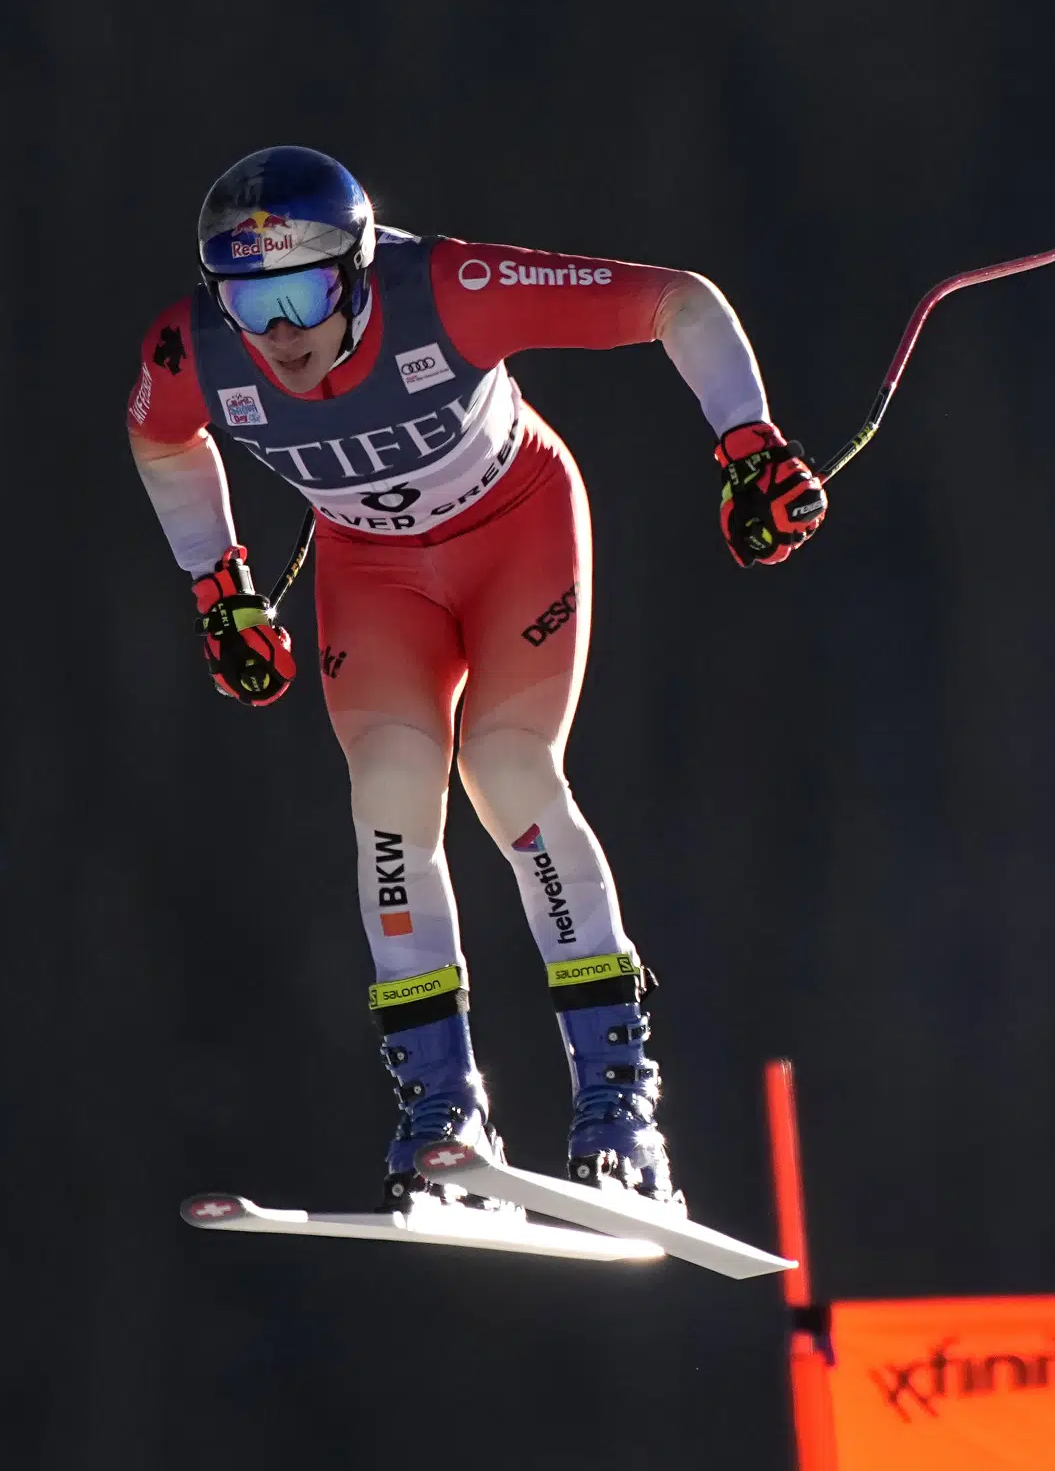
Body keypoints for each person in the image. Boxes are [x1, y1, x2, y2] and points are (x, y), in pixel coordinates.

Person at [124, 147, 827, 1210]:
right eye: (249, 297)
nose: (277, 331)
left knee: (508, 769)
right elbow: (161, 439)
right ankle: (442, 1113)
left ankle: (619, 1107)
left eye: (304, 290)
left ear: (359, 269)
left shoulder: (448, 291)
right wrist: (217, 585)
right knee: (388, 801)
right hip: (372, 572)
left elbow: (679, 302)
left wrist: (749, 445)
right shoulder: (194, 348)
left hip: (516, 530)